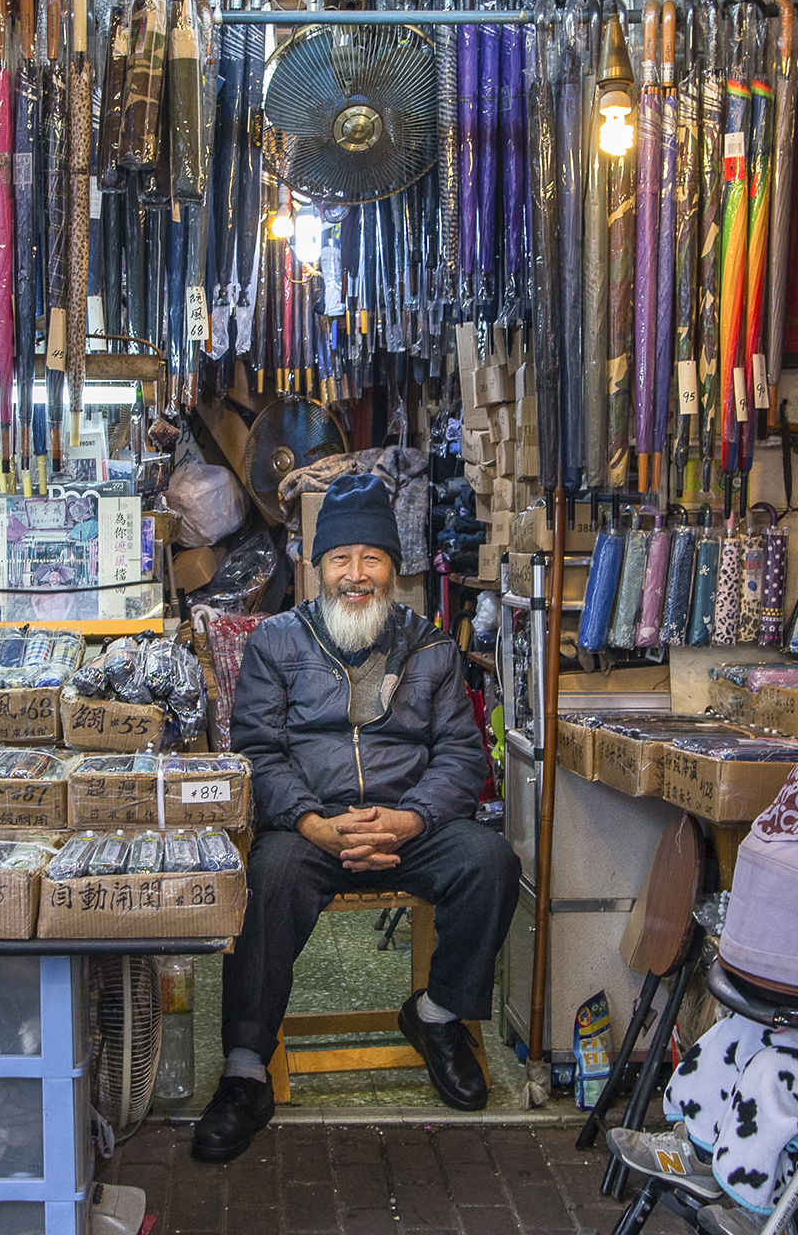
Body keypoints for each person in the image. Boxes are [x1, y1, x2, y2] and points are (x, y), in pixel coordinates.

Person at [191, 473, 518, 1163]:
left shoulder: (428, 646)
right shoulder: (277, 642)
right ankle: (247, 1070)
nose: (356, 574)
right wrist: (311, 822)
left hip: (408, 825)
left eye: (372, 558)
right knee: (267, 875)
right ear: (319, 568)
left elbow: (461, 756)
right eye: (341, 559)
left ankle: (435, 1017)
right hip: (309, 829)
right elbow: (256, 751)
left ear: (392, 569)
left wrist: (411, 821)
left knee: (490, 861)